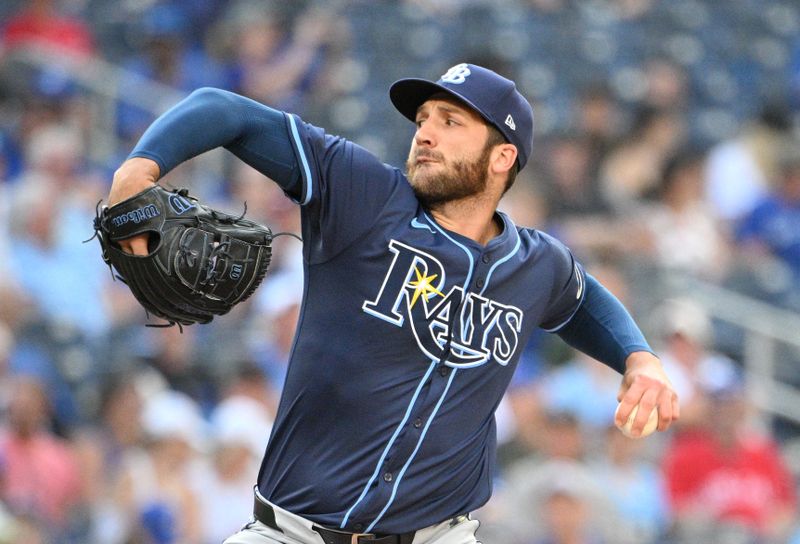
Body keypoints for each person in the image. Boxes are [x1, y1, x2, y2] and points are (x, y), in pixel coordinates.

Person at [105, 63, 679, 544]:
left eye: (451, 121)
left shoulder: (536, 263)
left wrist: (639, 358)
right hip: (291, 533)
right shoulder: (362, 194)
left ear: (502, 157)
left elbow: (582, 301)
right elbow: (222, 108)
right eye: (422, 119)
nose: (425, 132)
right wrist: (140, 167)